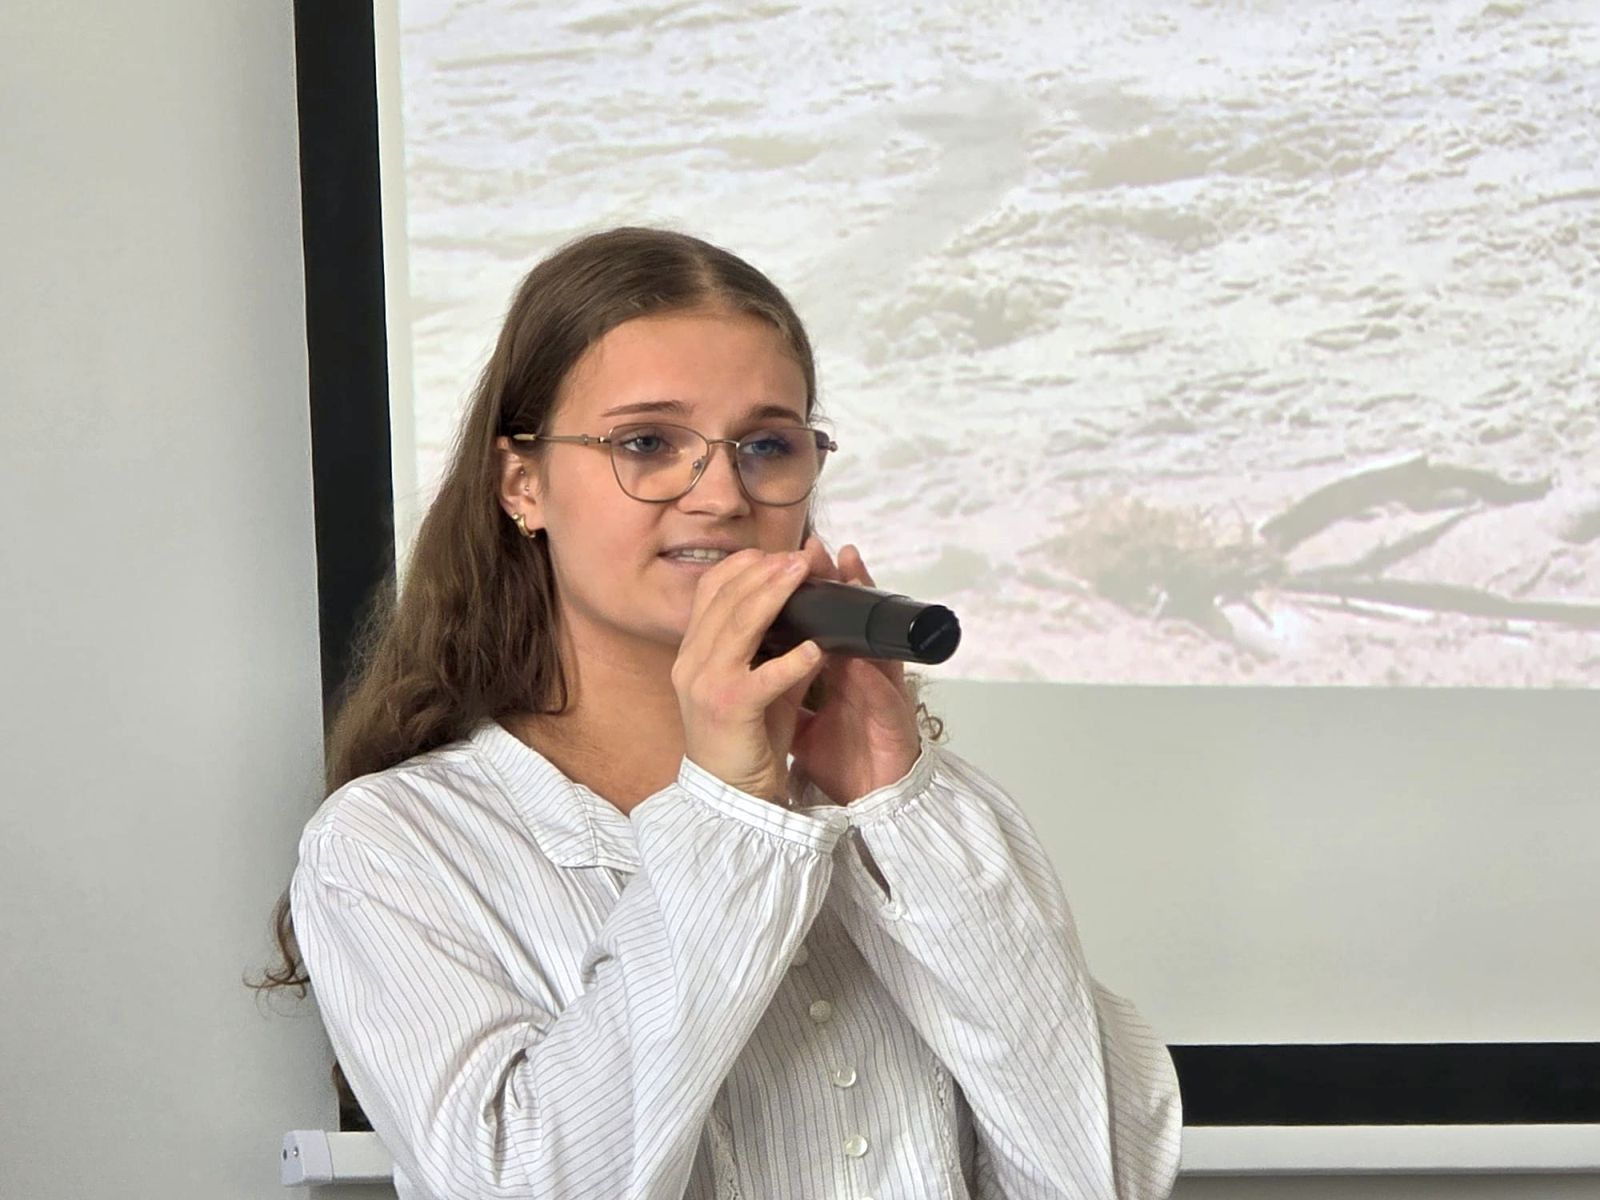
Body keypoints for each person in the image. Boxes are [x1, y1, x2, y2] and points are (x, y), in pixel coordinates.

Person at [268, 227, 1181, 1199]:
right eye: (647, 443)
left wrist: (902, 809)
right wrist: (728, 812)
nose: (721, 495)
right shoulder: (394, 843)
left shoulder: (909, 814)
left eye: (766, 445)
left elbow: (1105, 1177)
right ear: (522, 485)